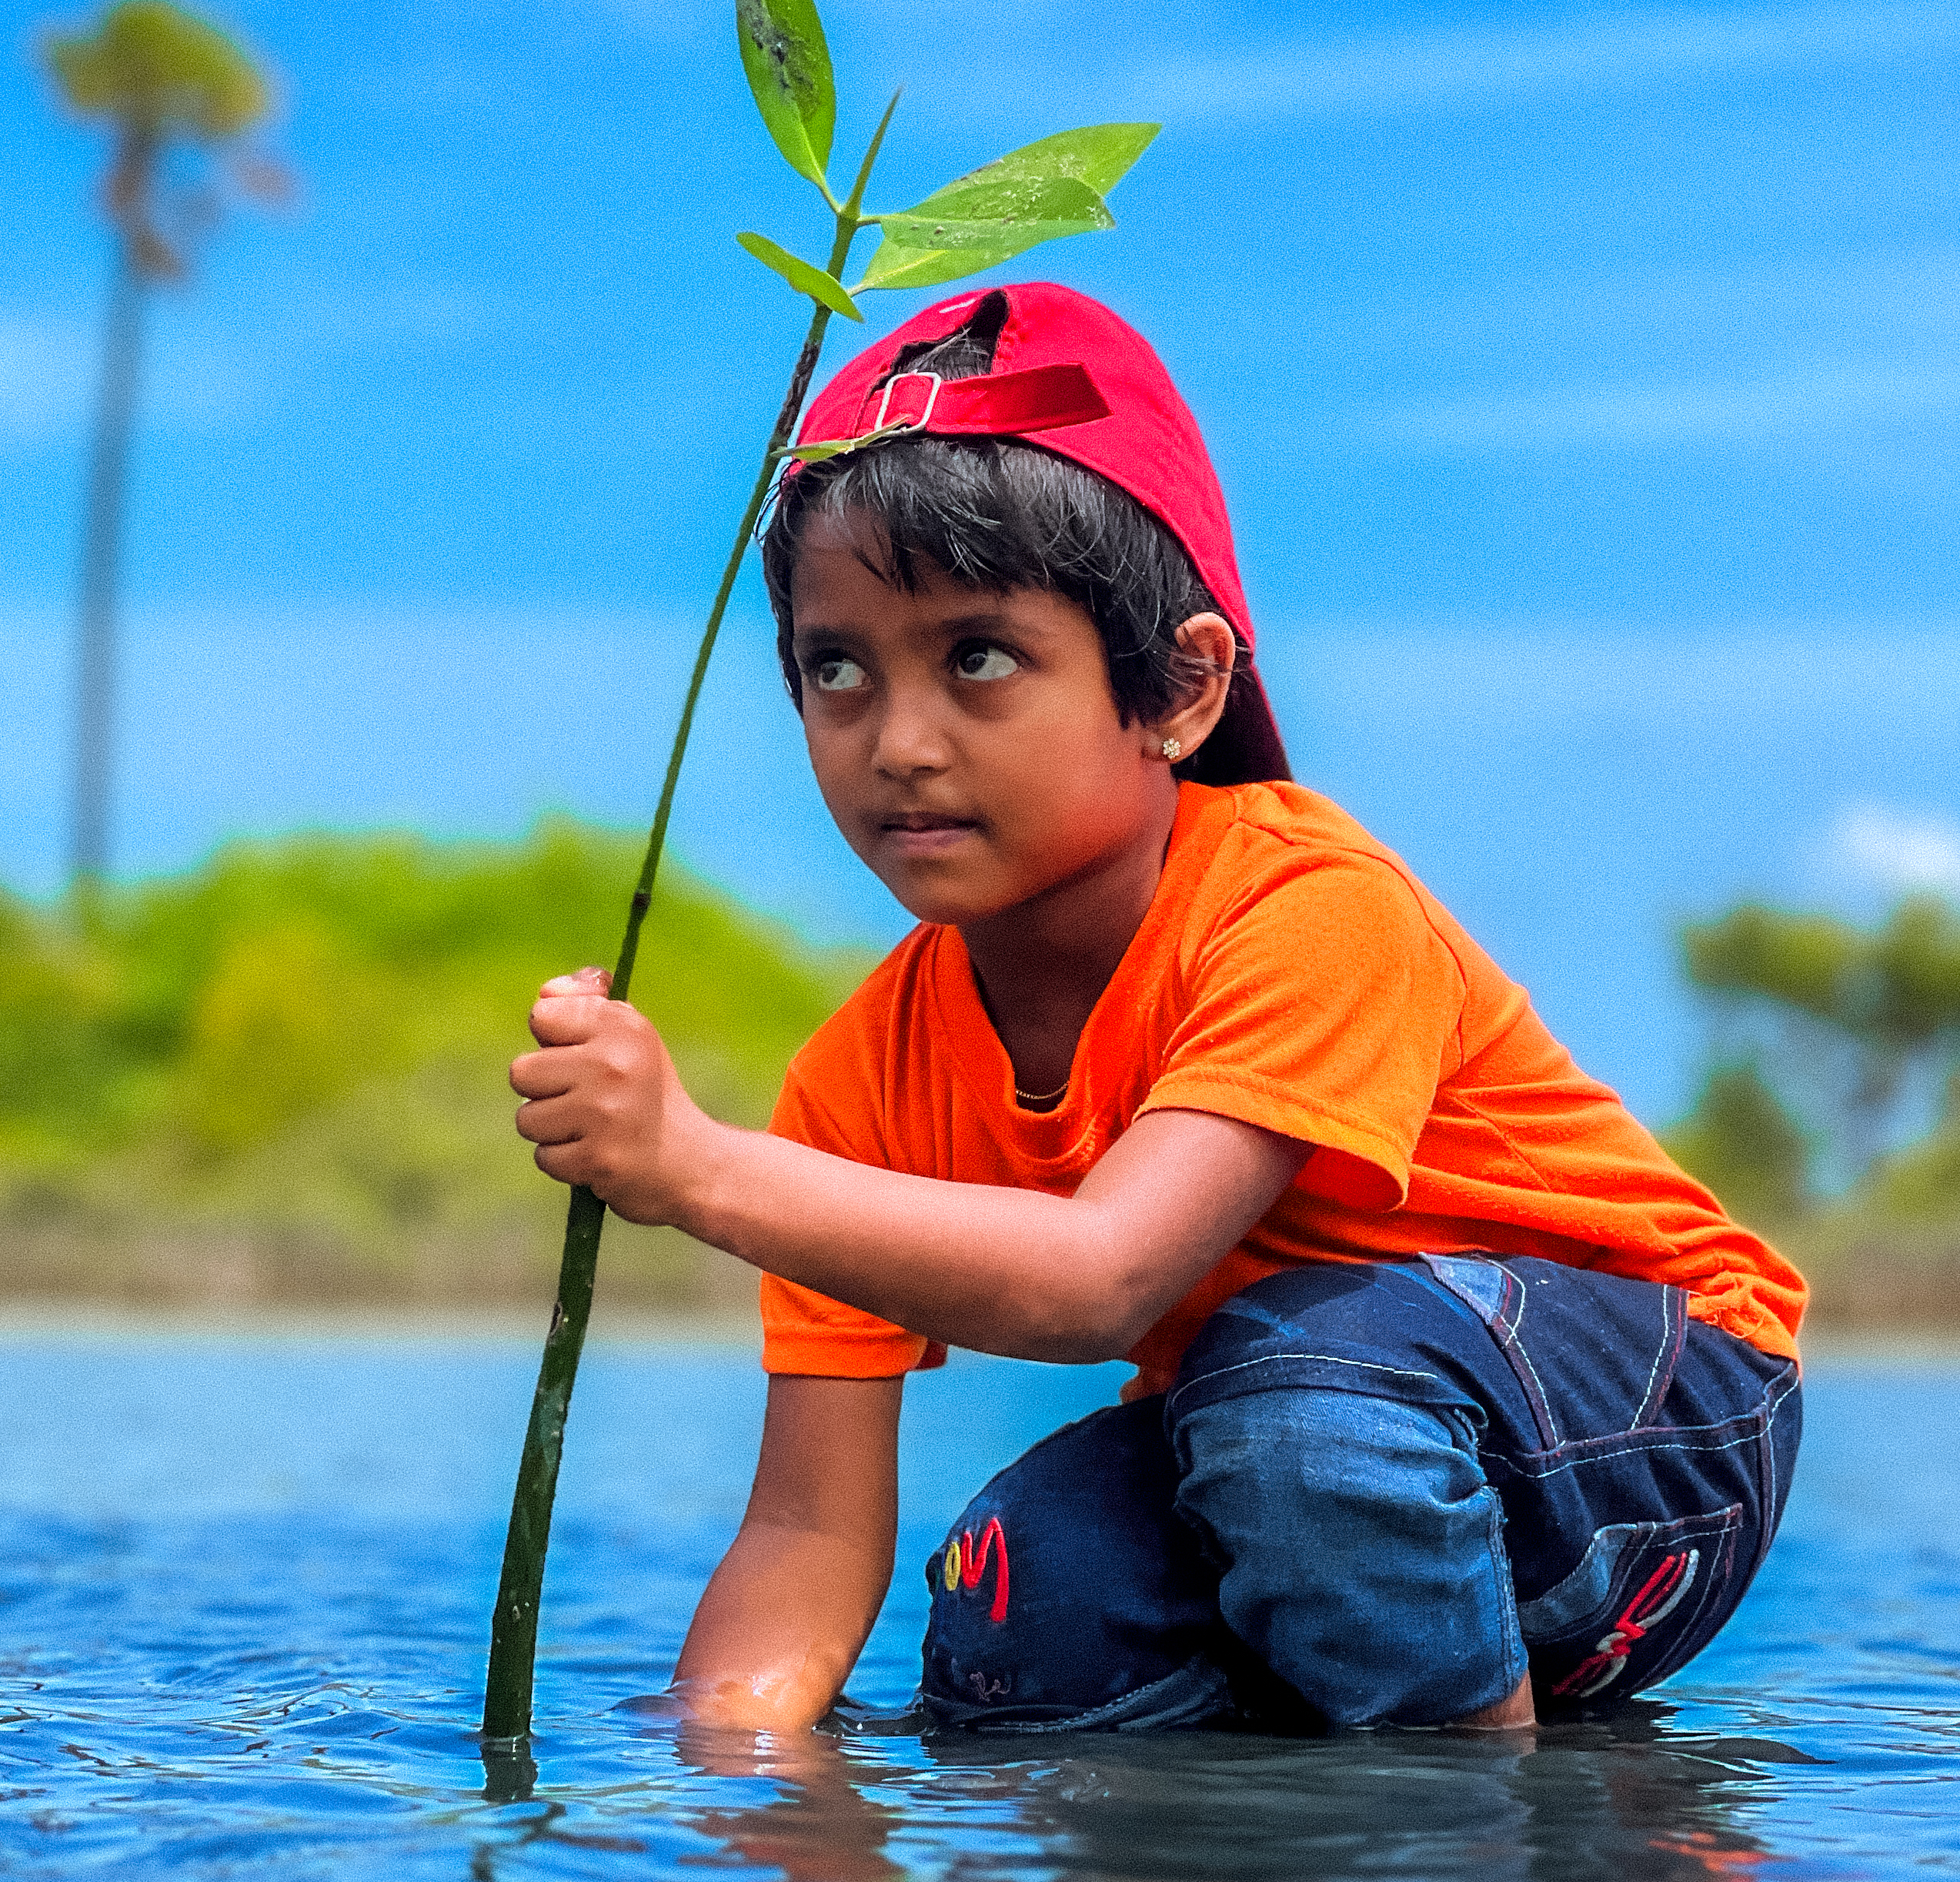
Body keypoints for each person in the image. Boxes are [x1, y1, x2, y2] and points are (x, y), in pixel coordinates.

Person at [509, 283, 1805, 1739]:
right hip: (1322, 1452)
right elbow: (810, 1533)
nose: (900, 742)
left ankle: (1469, 1855)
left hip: (1658, 1418)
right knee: (1019, 1604)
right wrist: (727, 1781)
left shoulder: (1305, 905)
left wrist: (691, 1168)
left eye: (979, 658)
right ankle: (1333, 1818)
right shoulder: (862, 1080)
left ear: (1181, 689)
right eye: (836, 670)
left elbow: (1105, 1279)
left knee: (1295, 1407)